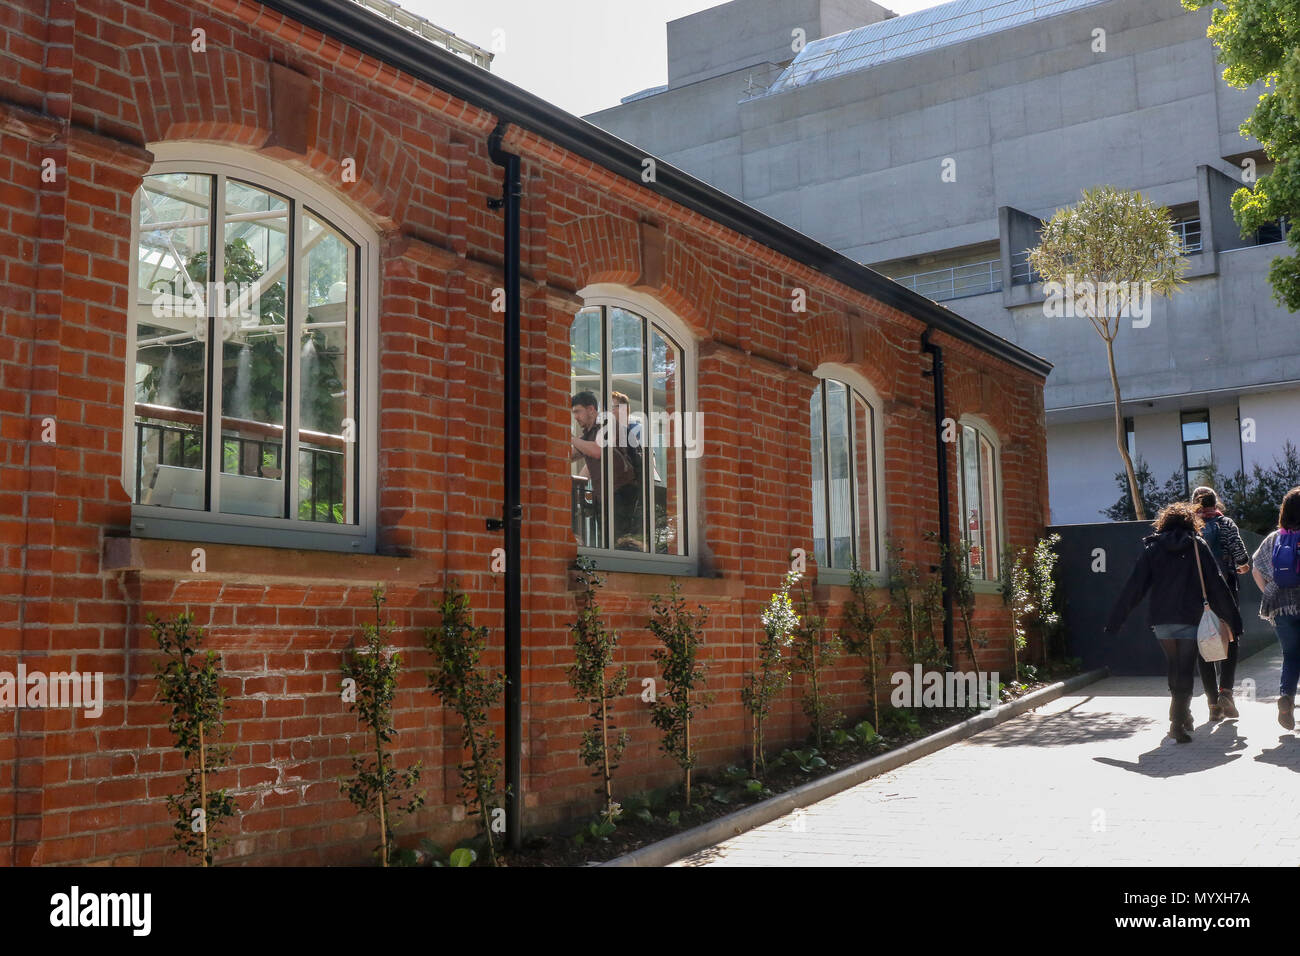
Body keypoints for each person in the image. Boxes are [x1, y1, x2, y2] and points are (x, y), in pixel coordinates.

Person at [1105, 501, 1242, 743]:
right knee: (1185, 669)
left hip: (1161, 620)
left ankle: (1183, 714)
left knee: (1174, 666)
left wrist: (1115, 620)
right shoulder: (1198, 546)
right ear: (1192, 522)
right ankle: (1176, 721)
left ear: (1164, 522)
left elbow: (1134, 587)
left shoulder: (1153, 548)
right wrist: (1233, 620)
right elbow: (1217, 585)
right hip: (1190, 617)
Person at [1190, 486, 1250, 720]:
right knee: (1231, 638)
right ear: (1216, 502)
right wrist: (1241, 566)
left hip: (1197, 594)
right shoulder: (1225, 524)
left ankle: (1212, 703)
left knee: (1203, 643)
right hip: (1224, 591)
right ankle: (1226, 691)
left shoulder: (1191, 527)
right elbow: (1241, 556)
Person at [1250, 486, 1300, 730]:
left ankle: (1286, 698)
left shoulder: (1274, 539)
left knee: (1291, 655)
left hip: (1280, 606)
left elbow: (1256, 569)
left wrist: (1269, 593)